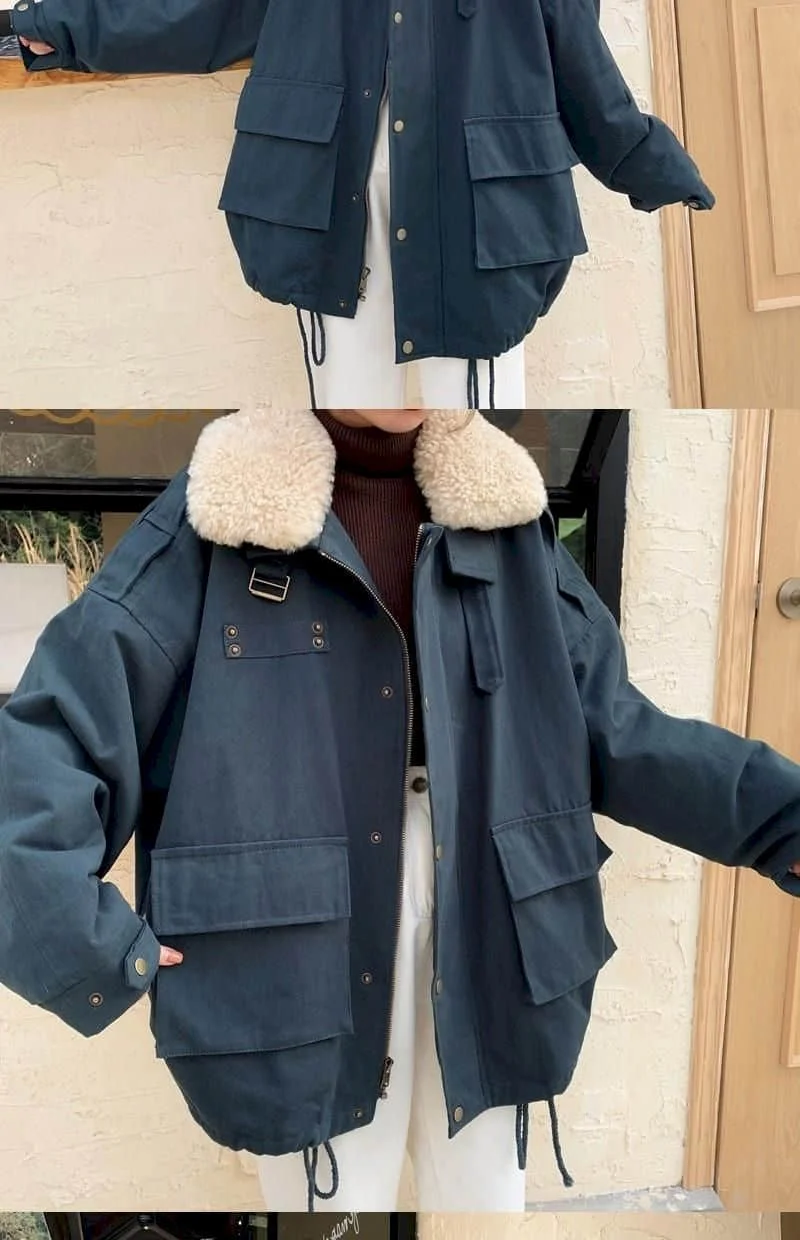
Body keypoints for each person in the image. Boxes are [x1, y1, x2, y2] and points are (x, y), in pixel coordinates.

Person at [2, 409, 798, 1214]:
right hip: (295, 937)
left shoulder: (502, 511)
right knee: (334, 1209)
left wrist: (782, 818)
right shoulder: (223, 503)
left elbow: (615, 727)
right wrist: (78, 935)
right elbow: (61, 727)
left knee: (483, 1203)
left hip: (495, 915)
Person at [1, 1, 715, 408]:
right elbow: (203, 10)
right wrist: (58, 26)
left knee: (472, 437)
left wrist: (643, 158)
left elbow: (578, 52)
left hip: (481, 213)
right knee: (352, 432)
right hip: (329, 200)